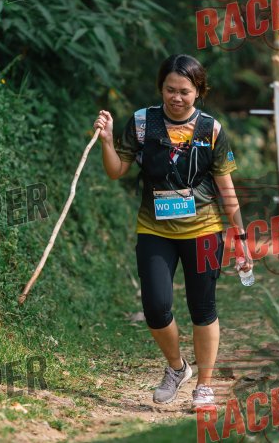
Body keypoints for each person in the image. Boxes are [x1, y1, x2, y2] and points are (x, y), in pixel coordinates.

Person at [93, 54, 253, 411]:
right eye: (170, 89)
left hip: (204, 229)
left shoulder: (211, 129)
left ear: (198, 92)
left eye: (184, 91)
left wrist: (240, 237)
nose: (176, 97)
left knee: (203, 308)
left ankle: (204, 386)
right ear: (160, 88)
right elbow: (116, 171)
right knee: (155, 307)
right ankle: (177, 367)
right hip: (155, 228)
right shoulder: (142, 123)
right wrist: (106, 140)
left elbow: (226, 188)